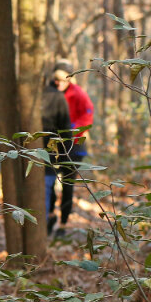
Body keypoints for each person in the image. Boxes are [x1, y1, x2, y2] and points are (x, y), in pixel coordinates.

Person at [48, 59, 94, 236]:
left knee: (68, 184)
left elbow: (88, 115)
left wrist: (72, 130)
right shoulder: (51, 92)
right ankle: (50, 214)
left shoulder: (79, 94)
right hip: (53, 145)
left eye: (62, 79)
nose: (59, 83)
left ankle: (63, 223)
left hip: (74, 146)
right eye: (56, 79)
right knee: (49, 181)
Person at [40, 72, 73, 236]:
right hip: (27, 157)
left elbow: (66, 131)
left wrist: (66, 157)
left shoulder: (57, 98)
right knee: (46, 191)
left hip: (48, 157)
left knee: (46, 189)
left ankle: (43, 228)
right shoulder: (18, 97)